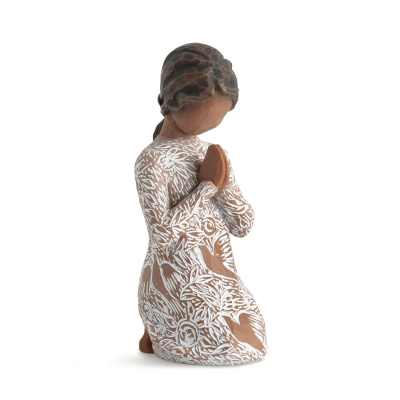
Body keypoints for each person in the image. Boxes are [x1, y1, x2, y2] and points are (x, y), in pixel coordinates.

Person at [134, 43, 266, 365]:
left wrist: (225, 185)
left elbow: (243, 225)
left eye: (220, 117)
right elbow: (162, 237)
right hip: (176, 278)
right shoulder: (152, 162)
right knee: (232, 347)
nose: (213, 124)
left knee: (254, 341)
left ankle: (160, 332)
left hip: (219, 277)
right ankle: (158, 322)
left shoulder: (209, 153)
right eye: (207, 115)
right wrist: (206, 187)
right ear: (174, 102)